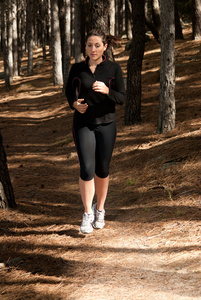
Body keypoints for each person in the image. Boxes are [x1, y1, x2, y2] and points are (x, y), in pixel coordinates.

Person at [65, 29, 125, 234]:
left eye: (97, 45)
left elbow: (123, 97)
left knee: (102, 169)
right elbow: (68, 92)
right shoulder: (78, 69)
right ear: (85, 47)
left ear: (105, 47)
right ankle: (87, 214)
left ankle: (100, 209)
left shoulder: (113, 68)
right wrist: (74, 104)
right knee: (86, 169)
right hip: (83, 124)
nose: (93, 49)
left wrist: (109, 91)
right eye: (89, 45)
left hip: (107, 124)